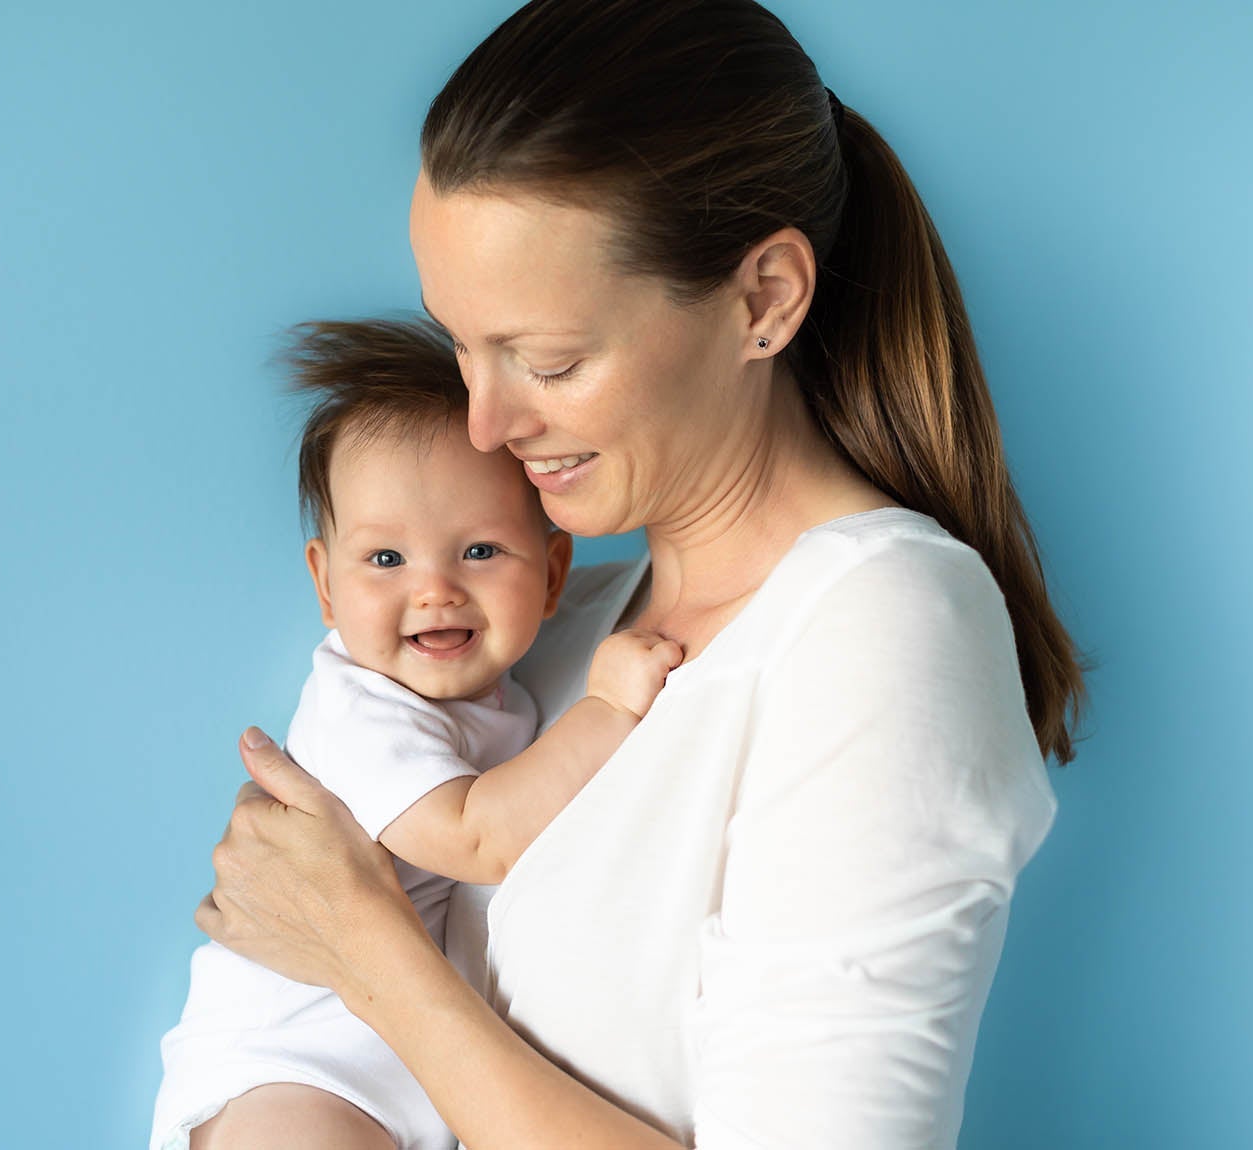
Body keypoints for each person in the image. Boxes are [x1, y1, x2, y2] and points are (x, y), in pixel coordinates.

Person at [192, 1, 1089, 1147]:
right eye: (463, 347)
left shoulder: (879, 627)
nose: (483, 425)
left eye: (549, 361)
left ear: (764, 298)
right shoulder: (552, 628)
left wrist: (362, 950)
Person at [154, 319, 684, 1150]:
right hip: (293, 1065)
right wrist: (609, 712)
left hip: (410, 1071)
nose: (434, 592)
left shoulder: (503, 690)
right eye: (386, 561)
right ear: (326, 586)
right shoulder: (359, 709)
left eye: (478, 550)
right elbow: (478, 837)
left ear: (552, 576)